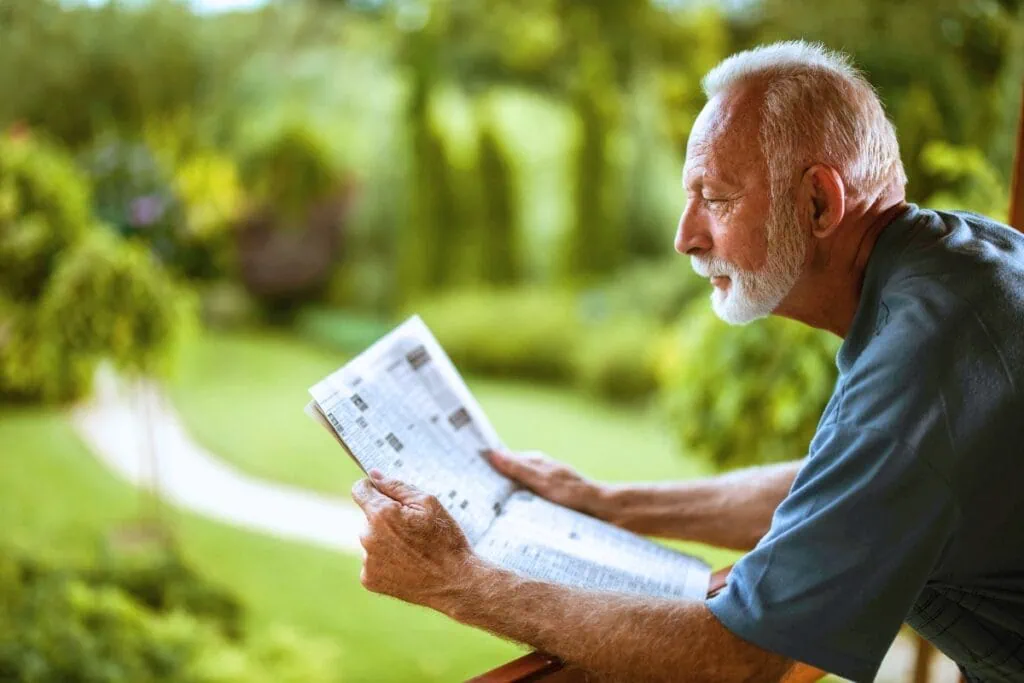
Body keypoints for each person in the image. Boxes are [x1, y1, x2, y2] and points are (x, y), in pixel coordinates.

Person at [350, 41, 1024, 682]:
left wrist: (459, 580)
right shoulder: (963, 261)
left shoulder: (921, 359)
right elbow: (851, 486)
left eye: (715, 197)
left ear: (818, 201)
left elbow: (737, 657)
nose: (684, 236)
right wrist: (607, 502)